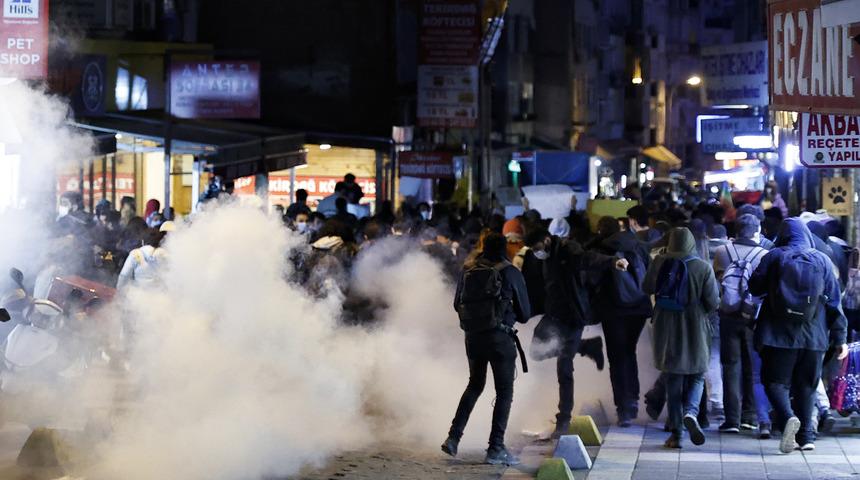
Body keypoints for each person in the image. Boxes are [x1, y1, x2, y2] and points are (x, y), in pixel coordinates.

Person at [748, 218, 848, 453]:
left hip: (777, 334)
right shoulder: (822, 260)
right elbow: (835, 302)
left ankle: (788, 417)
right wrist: (840, 338)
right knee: (807, 386)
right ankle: (807, 437)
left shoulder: (774, 256)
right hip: (814, 336)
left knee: (774, 383)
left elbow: (755, 287)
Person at [443, 232, 530, 466]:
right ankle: (495, 448)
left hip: (473, 338)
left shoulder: (469, 269)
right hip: (501, 340)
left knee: (474, 385)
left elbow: (456, 304)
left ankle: (453, 437)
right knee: (503, 392)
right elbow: (525, 313)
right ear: (506, 249)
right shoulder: (510, 272)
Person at [540, 229, 628, 438]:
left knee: (564, 367)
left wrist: (612, 261)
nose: (536, 252)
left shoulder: (568, 250)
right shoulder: (547, 256)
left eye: (537, 247)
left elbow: (588, 258)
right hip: (553, 316)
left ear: (545, 240)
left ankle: (564, 419)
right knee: (536, 351)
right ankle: (587, 346)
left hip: (573, 316)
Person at [643, 227, 719, 449]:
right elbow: (713, 302)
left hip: (666, 328)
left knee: (673, 380)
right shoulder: (703, 267)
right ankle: (692, 412)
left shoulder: (660, 262)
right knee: (697, 375)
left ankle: (676, 434)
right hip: (696, 326)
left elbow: (646, 287)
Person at [590, 216, 652, 427]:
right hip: (638, 308)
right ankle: (633, 401)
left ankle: (623, 408)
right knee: (629, 351)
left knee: (617, 357)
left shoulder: (600, 249)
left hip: (613, 309)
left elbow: (592, 279)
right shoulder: (638, 245)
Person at [712, 214, 768, 434]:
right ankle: (750, 416)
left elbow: (718, 280)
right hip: (753, 318)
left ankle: (731, 419)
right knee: (752, 368)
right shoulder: (765, 254)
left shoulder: (722, 252)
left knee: (730, 366)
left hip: (727, 315)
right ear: (757, 231)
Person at [117, 225, 170, 290]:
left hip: (139, 295)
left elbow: (124, 275)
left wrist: (119, 291)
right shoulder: (165, 254)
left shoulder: (135, 253)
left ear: (143, 241)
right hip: (161, 295)